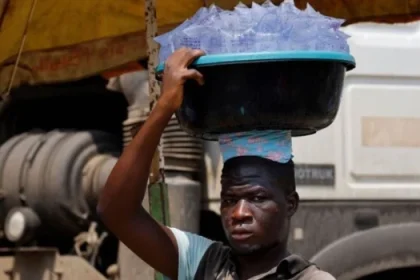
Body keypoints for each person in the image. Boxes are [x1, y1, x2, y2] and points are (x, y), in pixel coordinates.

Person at [97, 47, 335, 280]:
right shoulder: (203, 263)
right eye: (229, 200)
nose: (239, 213)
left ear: (291, 204)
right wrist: (165, 106)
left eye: (257, 198)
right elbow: (117, 211)